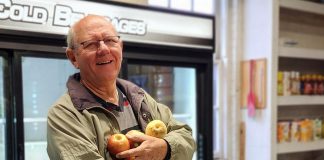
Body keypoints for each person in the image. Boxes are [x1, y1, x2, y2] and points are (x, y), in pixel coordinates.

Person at [47, 15, 196, 160]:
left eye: (110, 40)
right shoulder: (65, 115)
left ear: (121, 47)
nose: (104, 49)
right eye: (91, 44)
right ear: (73, 57)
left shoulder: (139, 98)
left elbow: (185, 136)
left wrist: (166, 148)